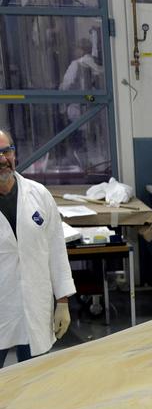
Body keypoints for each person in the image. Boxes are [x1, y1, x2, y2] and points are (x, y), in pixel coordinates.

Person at [0, 131, 74, 367]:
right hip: (2, 304)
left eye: (6, 151)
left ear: (14, 153)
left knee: (35, 379)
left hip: (34, 303)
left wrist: (62, 302)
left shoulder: (39, 195)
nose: (2, 159)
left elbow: (56, 251)